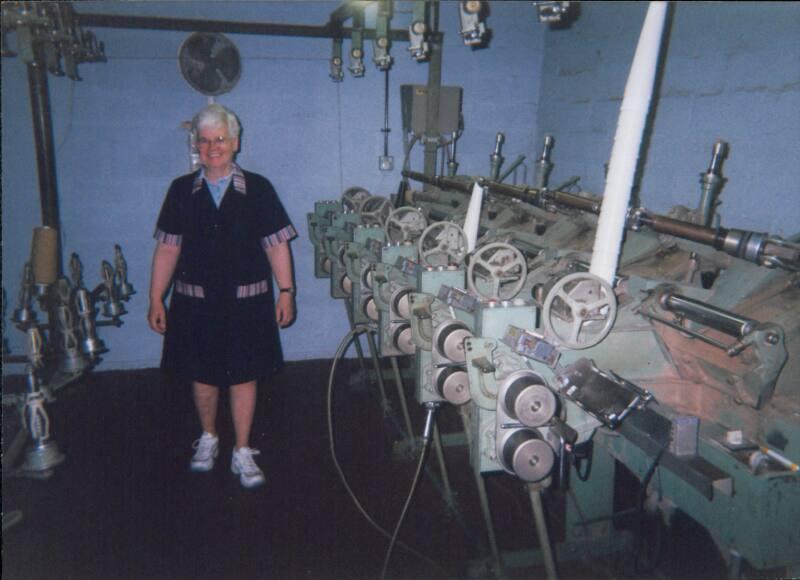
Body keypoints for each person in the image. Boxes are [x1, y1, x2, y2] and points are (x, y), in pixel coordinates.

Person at [148, 104, 296, 488]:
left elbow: (277, 246)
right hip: (195, 301)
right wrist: (155, 299)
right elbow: (167, 249)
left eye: (220, 139)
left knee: (245, 375)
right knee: (203, 375)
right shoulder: (181, 191)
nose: (213, 147)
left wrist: (286, 291)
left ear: (236, 141)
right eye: (205, 140)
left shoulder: (259, 189)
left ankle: (242, 450)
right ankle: (209, 438)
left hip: (247, 300)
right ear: (195, 145)